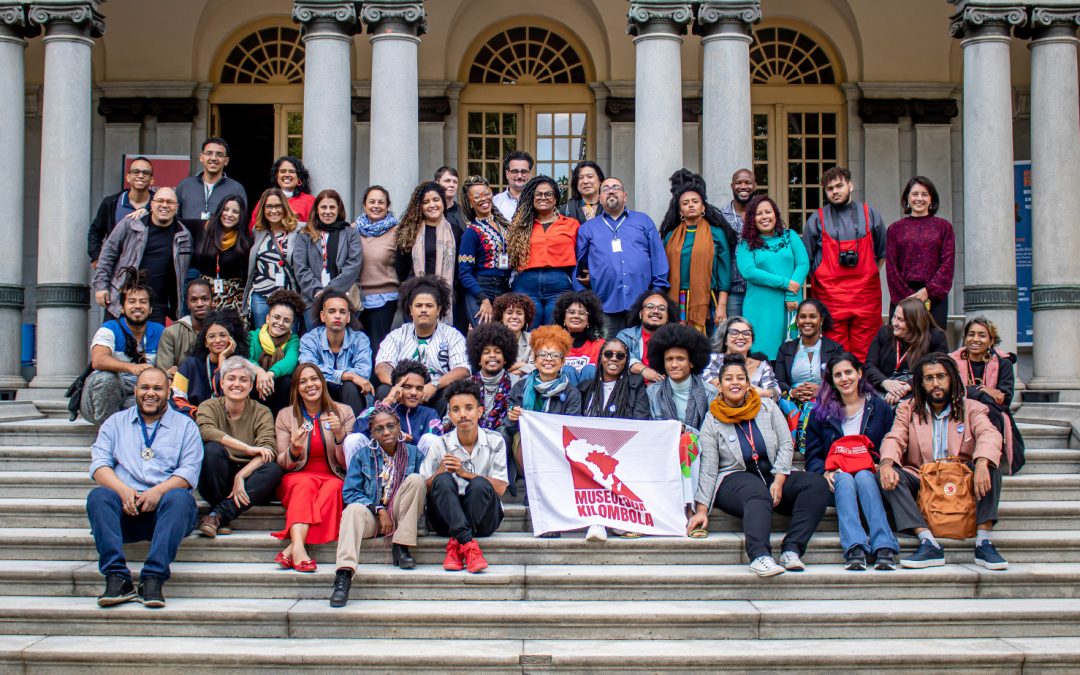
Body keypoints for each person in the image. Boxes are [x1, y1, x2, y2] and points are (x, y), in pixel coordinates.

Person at [689, 355, 830, 576]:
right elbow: (708, 468)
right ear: (720, 385)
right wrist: (701, 510)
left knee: (816, 484)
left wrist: (780, 479)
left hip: (773, 473)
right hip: (734, 477)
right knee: (757, 494)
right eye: (728, 378)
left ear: (748, 384)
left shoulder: (767, 407)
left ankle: (792, 550)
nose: (735, 382)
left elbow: (785, 444)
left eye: (740, 378)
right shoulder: (712, 419)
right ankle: (760, 556)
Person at [878, 353, 1007, 570]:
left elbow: (989, 434)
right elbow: (895, 437)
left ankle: (984, 541)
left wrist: (983, 462)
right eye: (929, 378)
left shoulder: (973, 408)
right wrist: (886, 463)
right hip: (924, 476)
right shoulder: (907, 409)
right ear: (921, 383)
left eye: (941, 376)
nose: (935, 383)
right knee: (889, 474)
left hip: (960, 476)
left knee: (990, 466)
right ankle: (927, 541)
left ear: (952, 379)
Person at [86, 367, 202, 608]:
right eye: (145, 387)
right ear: (136, 390)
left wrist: (158, 492)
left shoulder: (185, 426)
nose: (151, 393)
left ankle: (153, 577)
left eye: (158, 388)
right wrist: (122, 490)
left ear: (168, 392)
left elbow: (188, 472)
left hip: (167, 514)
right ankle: (117, 578)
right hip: (126, 509)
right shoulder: (114, 423)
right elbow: (99, 465)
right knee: (99, 496)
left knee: (180, 497)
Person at [803, 353, 899, 570]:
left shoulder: (879, 407)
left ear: (859, 373)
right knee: (844, 478)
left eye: (848, 372)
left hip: (872, 472)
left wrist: (885, 463)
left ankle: (883, 545)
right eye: (838, 375)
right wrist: (824, 472)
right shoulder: (821, 413)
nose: (844, 378)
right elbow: (813, 454)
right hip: (837, 476)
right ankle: (855, 547)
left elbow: (892, 441)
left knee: (864, 476)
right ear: (831, 381)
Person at [331, 403, 427, 606]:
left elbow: (424, 489)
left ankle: (401, 545)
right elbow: (350, 492)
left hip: (401, 516)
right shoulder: (362, 455)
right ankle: (344, 575)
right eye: (379, 429)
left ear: (399, 426)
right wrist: (378, 509)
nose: (386, 432)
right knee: (353, 509)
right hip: (373, 518)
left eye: (391, 426)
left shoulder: (414, 453)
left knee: (417, 479)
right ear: (372, 433)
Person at [273, 363, 356, 573]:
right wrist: (295, 449)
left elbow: (349, 463)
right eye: (303, 381)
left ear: (322, 382)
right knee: (305, 485)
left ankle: (293, 547)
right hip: (297, 476)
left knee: (335, 489)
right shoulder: (285, 415)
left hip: (332, 476)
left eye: (314, 379)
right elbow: (282, 461)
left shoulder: (344, 412)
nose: (310, 385)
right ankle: (300, 552)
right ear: (296, 388)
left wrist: (339, 437)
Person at [422, 379, 509, 573]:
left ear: (479, 411)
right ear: (450, 415)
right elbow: (423, 488)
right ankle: (466, 544)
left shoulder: (495, 441)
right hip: (444, 518)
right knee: (442, 480)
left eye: (469, 408)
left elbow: (501, 488)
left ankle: (456, 545)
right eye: (456, 409)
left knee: (479, 484)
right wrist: (439, 471)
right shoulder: (439, 444)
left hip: (485, 519)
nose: (463, 414)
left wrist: (464, 473)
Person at [803, 167, 888, 360]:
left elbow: (882, 253)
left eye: (839, 186)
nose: (835, 191)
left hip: (865, 297)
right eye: (830, 188)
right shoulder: (817, 218)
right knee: (835, 353)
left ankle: (866, 389)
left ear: (850, 185)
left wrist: (870, 274)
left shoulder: (870, 214)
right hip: (830, 298)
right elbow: (806, 259)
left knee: (867, 351)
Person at [194, 356, 283, 538]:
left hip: (248, 478)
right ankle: (223, 515)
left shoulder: (261, 411)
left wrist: (241, 476)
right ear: (222, 383)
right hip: (217, 476)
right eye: (231, 378)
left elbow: (268, 448)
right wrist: (247, 448)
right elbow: (207, 431)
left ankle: (217, 515)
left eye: (243, 380)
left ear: (251, 386)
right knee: (212, 450)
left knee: (273, 469)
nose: (237, 384)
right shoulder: (208, 406)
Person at [575, 177, 670, 336]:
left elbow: (658, 258)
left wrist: (656, 293)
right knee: (609, 354)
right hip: (605, 304)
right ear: (599, 199)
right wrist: (583, 297)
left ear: (625, 196)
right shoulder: (588, 228)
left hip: (642, 303)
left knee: (643, 352)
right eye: (605, 189)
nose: (611, 191)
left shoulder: (643, 221)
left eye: (616, 188)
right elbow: (578, 264)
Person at [93, 187, 192, 322]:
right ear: (151, 204)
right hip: (125, 299)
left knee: (153, 343)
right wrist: (101, 286)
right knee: (118, 341)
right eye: (160, 201)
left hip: (157, 305)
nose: (164, 205)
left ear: (177, 207)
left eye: (170, 202)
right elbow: (108, 253)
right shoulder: (131, 224)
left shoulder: (184, 235)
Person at [374, 275, 470, 414]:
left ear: (438, 310)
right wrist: (405, 388)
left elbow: (462, 370)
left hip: (436, 392)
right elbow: (382, 367)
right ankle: (390, 433)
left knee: (450, 393)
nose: (423, 310)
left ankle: (438, 433)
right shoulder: (397, 335)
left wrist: (434, 385)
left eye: (429, 306)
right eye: (418, 306)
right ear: (410, 310)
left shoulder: (452, 335)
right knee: (384, 390)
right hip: (402, 394)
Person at [81, 271, 165, 425]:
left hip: (135, 394)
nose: (138, 306)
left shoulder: (160, 331)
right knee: (106, 379)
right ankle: (108, 433)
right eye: (132, 301)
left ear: (151, 309)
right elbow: (98, 360)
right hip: (99, 398)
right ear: (122, 308)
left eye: (143, 302)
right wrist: (132, 368)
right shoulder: (110, 328)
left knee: (148, 400)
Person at [659, 169, 736, 333]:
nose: (690, 205)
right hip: (677, 299)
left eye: (695, 201)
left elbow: (724, 273)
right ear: (680, 211)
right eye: (685, 203)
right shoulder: (670, 237)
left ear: (703, 207)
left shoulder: (717, 233)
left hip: (708, 299)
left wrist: (722, 306)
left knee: (709, 346)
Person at [736, 194, 809, 359]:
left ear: (775, 214)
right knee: (762, 354)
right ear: (752, 219)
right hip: (760, 307)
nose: (764, 217)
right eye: (759, 214)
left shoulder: (790, 236)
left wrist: (791, 293)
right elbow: (749, 271)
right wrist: (784, 283)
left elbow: (803, 264)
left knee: (790, 351)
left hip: (789, 303)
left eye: (768, 212)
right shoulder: (746, 243)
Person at [950, 316, 1025, 474]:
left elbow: (1003, 400)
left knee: (990, 412)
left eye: (982, 335)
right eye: (971, 334)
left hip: (991, 414)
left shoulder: (1003, 363)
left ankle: (987, 461)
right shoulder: (952, 361)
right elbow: (951, 391)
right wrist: (982, 390)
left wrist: (969, 391)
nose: (975, 339)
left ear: (991, 340)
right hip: (958, 410)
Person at [507, 175, 580, 328]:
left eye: (548, 194)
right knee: (528, 332)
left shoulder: (571, 225)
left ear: (555, 199)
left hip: (559, 284)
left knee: (553, 333)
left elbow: (581, 256)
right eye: (538, 194)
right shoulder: (521, 225)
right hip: (526, 284)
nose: (543, 197)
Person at [886, 175, 956, 329]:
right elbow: (891, 267)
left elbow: (947, 264)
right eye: (915, 194)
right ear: (907, 198)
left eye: (924, 194)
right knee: (902, 344)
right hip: (902, 296)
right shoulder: (894, 229)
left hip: (934, 298)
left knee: (933, 345)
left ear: (931, 199)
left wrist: (927, 291)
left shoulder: (944, 227)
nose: (919, 199)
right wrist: (908, 298)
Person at [351, 360, 443, 464]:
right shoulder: (379, 408)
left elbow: (437, 446)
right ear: (396, 387)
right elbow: (358, 430)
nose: (414, 393)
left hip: (417, 472)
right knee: (353, 440)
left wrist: (408, 439)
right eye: (407, 387)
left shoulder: (430, 414)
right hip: (380, 469)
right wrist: (387, 401)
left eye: (419, 388)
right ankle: (357, 479)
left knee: (430, 439)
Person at [294, 188, 362, 327]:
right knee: (315, 341)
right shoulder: (305, 234)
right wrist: (317, 292)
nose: (328, 211)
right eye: (323, 207)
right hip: (312, 299)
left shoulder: (350, 233)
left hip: (343, 297)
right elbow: (300, 267)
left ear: (339, 209)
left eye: (332, 207)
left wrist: (329, 291)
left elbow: (353, 265)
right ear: (317, 210)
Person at [298, 291, 374, 416]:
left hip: (351, 394)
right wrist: (349, 375)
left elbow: (363, 372)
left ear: (348, 317)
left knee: (349, 386)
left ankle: (354, 433)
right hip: (320, 391)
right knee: (315, 383)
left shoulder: (360, 339)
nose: (337, 316)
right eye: (332, 311)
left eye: (342, 312)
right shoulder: (309, 339)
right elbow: (307, 370)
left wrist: (346, 378)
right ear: (322, 316)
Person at [864, 297, 949, 405]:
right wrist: (886, 383)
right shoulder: (884, 333)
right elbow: (869, 365)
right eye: (894, 317)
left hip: (917, 390)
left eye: (900, 319)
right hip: (884, 388)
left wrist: (907, 387)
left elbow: (939, 368)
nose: (894, 322)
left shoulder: (935, 337)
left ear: (915, 322)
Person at [242, 187, 301, 331]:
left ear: (284, 207)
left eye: (277, 206)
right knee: (262, 340)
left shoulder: (298, 231)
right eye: (269, 206)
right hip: (261, 296)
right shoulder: (258, 231)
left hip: (288, 296)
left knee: (287, 341)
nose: (273, 210)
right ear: (263, 209)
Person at [457, 175, 512, 325]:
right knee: (485, 337)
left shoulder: (505, 226)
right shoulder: (471, 232)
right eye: (476, 196)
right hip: (480, 290)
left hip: (504, 288)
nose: (483, 199)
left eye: (486, 194)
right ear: (470, 202)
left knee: (504, 340)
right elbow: (465, 272)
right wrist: (483, 298)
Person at [353, 185, 400, 354]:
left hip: (384, 298)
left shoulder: (397, 231)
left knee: (377, 346)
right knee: (357, 347)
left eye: (381, 202)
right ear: (364, 205)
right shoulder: (353, 230)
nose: (376, 206)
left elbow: (403, 265)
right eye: (371, 202)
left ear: (387, 206)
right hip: (356, 299)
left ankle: (377, 380)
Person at [646, 323, 718, 434]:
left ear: (691, 362)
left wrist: (685, 431)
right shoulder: (652, 392)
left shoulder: (710, 393)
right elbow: (650, 431)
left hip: (701, 450)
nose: (674, 364)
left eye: (680, 359)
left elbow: (713, 435)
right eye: (669, 359)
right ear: (663, 362)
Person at [395, 182, 458, 307]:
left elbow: (459, 269)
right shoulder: (409, 232)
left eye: (436, 200)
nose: (432, 205)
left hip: (447, 298)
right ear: (420, 206)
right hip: (415, 297)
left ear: (443, 203)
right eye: (426, 202)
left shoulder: (456, 231)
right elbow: (401, 268)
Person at [171, 310, 247, 410]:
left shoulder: (239, 367)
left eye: (223, 335)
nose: (217, 340)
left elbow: (232, 402)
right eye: (211, 336)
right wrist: (199, 415)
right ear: (205, 342)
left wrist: (222, 360)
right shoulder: (190, 365)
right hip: (194, 420)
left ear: (232, 340)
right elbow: (176, 399)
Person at [88, 156, 155, 266]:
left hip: (149, 268)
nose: (141, 175)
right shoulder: (111, 203)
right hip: (117, 269)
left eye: (146, 173)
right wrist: (96, 257)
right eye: (136, 172)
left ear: (152, 180)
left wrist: (147, 210)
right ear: (128, 177)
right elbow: (95, 231)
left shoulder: (159, 205)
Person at [247, 289, 305, 414]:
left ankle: (280, 422)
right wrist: (260, 372)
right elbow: (247, 359)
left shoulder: (293, 340)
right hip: (255, 387)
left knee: (287, 380)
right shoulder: (252, 336)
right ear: (268, 318)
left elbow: (291, 361)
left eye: (286, 320)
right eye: (276, 317)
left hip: (278, 392)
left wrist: (269, 375)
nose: (280, 323)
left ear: (292, 324)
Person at [190, 197, 251, 315]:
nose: (229, 214)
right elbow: (175, 221)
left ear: (241, 216)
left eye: (235, 212)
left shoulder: (245, 240)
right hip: (204, 296)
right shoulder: (204, 227)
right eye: (226, 209)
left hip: (232, 298)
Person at [774, 298, 844, 398]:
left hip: (827, 403)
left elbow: (843, 379)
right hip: (792, 406)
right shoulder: (785, 349)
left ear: (821, 320)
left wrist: (822, 390)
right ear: (797, 320)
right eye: (802, 317)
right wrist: (792, 392)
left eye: (813, 316)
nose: (807, 321)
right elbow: (779, 381)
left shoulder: (835, 349)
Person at [175, 137, 248, 229]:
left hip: (222, 242)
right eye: (209, 153)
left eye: (219, 155)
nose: (214, 158)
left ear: (226, 161)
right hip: (189, 242)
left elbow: (241, 222)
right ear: (201, 157)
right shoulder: (185, 185)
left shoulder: (236, 188)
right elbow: (175, 219)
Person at [703, 317, 782, 401]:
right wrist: (755, 392)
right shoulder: (713, 359)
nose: (741, 337)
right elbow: (715, 385)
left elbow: (775, 392)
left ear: (752, 339)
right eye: (734, 332)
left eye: (746, 333)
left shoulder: (762, 366)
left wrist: (766, 393)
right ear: (725, 339)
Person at [578, 338, 650, 420]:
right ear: (601, 358)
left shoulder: (636, 386)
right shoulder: (584, 388)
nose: (614, 358)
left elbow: (640, 421)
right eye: (608, 354)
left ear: (626, 360)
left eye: (620, 356)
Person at [719, 168, 757, 318]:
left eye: (748, 182)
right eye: (738, 183)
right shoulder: (721, 216)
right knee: (733, 332)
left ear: (754, 185)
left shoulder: (763, 213)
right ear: (732, 186)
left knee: (759, 331)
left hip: (759, 286)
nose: (743, 186)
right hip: (732, 289)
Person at [616, 289, 676, 384]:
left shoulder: (676, 338)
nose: (656, 311)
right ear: (640, 314)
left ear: (668, 316)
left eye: (661, 308)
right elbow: (621, 355)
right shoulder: (626, 336)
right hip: (632, 391)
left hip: (666, 390)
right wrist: (644, 370)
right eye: (650, 307)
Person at [467, 322, 519, 430]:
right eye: (486, 352)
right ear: (479, 360)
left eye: (498, 352)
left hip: (504, 436)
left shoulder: (516, 383)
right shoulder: (467, 385)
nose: (492, 356)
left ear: (505, 359)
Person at [156, 278, 212, 376]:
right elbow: (163, 374)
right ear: (188, 303)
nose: (199, 304)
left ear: (213, 301)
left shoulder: (222, 331)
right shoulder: (172, 332)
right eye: (194, 300)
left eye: (205, 299)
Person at [248, 156, 315, 229]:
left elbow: (314, 230)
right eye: (283, 171)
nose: (287, 175)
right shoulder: (266, 199)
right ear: (276, 176)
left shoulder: (309, 201)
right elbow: (254, 228)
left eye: (292, 171)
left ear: (299, 177)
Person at [493, 292, 537, 375]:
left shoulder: (533, 339)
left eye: (519, 313)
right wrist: (521, 364)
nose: (514, 317)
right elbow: (493, 369)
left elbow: (534, 367)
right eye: (509, 312)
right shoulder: (493, 340)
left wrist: (507, 372)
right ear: (501, 317)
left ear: (525, 318)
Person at [493, 150, 533, 221]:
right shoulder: (495, 202)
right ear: (507, 174)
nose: (519, 176)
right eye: (515, 171)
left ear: (529, 174)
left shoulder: (537, 201)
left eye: (524, 172)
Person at [436, 166, 464, 231]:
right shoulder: (431, 211)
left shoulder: (463, 213)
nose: (452, 185)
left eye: (455, 182)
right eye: (447, 181)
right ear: (437, 184)